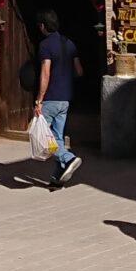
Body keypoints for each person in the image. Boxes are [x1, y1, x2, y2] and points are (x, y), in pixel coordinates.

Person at [32, 10, 84, 189]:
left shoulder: (46, 45)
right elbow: (79, 71)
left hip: (51, 97)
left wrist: (39, 99)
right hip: (65, 98)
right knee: (57, 137)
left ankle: (67, 157)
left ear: (42, 26)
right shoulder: (69, 44)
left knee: (46, 139)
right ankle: (57, 178)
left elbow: (45, 72)